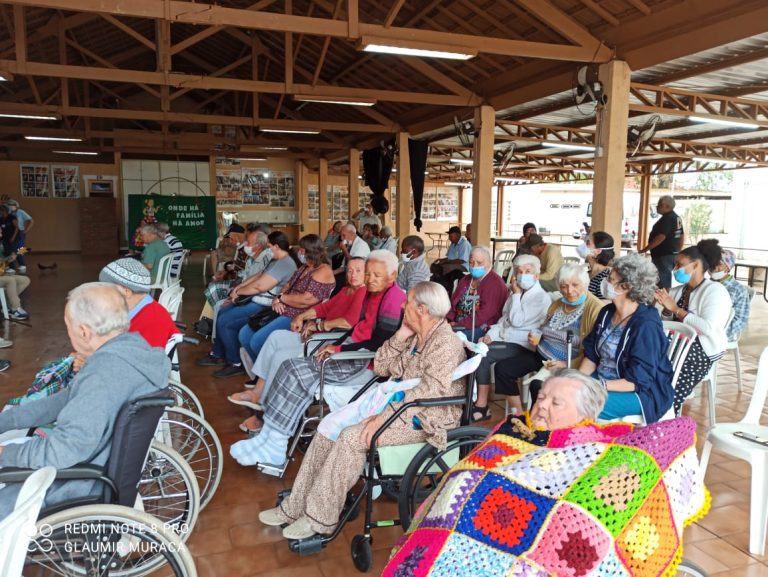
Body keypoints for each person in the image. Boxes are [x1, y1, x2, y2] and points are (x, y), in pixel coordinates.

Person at [253, 281, 465, 541]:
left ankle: (320, 518)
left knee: (352, 437)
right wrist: (400, 335)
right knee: (328, 428)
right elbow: (381, 367)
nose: (401, 305)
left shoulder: (444, 343)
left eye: (407, 302)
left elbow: (429, 392)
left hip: (425, 419)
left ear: (422, 309)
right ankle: (295, 506)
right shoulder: (417, 335)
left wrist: (383, 418)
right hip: (399, 407)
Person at [0, 282, 171, 518]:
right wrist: (7, 420)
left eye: (68, 326)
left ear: (83, 332)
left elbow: (63, 450)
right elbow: (64, 400)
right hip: (93, 468)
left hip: (71, 484)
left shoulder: (102, 375)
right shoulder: (135, 352)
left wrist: (5, 453)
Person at [229, 251, 405, 467]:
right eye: (368, 274)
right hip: (352, 350)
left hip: (365, 362)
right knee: (288, 366)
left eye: (376, 275)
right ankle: (269, 436)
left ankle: (277, 444)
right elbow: (356, 330)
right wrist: (334, 344)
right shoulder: (371, 292)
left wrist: (338, 348)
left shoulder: (393, 299)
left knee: (295, 371)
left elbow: (379, 344)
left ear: (393, 275)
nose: (369, 279)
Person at [228, 257, 368, 433]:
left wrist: (318, 325)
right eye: (349, 270)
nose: (353, 274)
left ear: (366, 274)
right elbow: (323, 309)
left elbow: (349, 322)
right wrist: (302, 317)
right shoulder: (346, 290)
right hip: (317, 334)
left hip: (328, 341)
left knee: (281, 356)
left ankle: (265, 414)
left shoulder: (362, 293)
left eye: (358, 271)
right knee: (276, 337)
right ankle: (258, 391)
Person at [492, 263, 604, 416]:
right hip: (542, 355)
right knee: (503, 369)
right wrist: (537, 336)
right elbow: (545, 326)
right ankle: (517, 413)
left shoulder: (594, 309)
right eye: (564, 286)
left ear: (585, 283)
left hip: (568, 363)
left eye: (575, 285)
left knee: (539, 386)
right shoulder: (559, 303)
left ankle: (539, 424)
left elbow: (594, 351)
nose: (569, 291)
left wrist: (567, 364)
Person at [579, 253, 674, 422]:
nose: (605, 282)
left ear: (626, 286)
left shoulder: (646, 326)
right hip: (603, 380)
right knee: (560, 391)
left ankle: (586, 445)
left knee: (579, 406)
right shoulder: (607, 313)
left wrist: (599, 386)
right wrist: (578, 379)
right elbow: (592, 354)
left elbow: (638, 381)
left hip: (638, 392)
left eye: (610, 278)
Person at [233, 234, 336, 378]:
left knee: (256, 341)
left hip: (299, 316)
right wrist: (277, 299)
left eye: (302, 250)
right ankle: (261, 374)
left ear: (311, 251)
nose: (299, 253)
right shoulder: (304, 268)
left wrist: (282, 298)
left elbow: (307, 300)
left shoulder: (323, 270)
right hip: (282, 309)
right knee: (245, 334)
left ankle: (268, 378)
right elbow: (287, 285)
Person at [196, 231, 297, 371]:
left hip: (265, 306)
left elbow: (259, 285)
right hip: (258, 300)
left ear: (276, 246)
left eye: (269, 246)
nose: (267, 249)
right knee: (223, 311)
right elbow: (258, 276)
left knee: (225, 322)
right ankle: (218, 354)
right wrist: (238, 288)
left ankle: (234, 362)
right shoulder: (276, 260)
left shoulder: (285, 264)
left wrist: (238, 292)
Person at [472, 254, 552, 422]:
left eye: (527, 271)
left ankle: (482, 404)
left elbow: (517, 321)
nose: (522, 275)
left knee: (483, 356)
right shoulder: (515, 294)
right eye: (519, 271)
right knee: (479, 349)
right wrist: (489, 335)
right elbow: (504, 320)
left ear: (536, 275)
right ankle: (481, 402)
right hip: (506, 339)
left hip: (523, 344)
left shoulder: (541, 297)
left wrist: (515, 295)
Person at [654, 244, 731, 415]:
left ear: (696, 265)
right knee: (646, 357)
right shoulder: (677, 291)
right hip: (674, 345)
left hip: (701, 350)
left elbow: (708, 328)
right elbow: (666, 324)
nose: (675, 269)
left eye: (679, 265)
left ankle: (666, 417)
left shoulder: (714, 291)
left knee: (668, 382)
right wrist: (666, 311)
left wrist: (676, 309)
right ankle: (648, 411)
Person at [98, 257, 179, 348]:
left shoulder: (152, 322)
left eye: (106, 289)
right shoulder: (136, 308)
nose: (102, 293)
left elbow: (143, 360)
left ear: (126, 292)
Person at [199, 229, 272, 322]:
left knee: (216, 297)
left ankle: (210, 323)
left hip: (249, 295)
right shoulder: (251, 258)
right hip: (241, 287)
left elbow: (256, 284)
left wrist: (236, 296)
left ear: (258, 246)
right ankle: (208, 321)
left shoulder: (265, 260)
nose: (245, 244)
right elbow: (245, 275)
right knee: (213, 291)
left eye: (248, 242)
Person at [446, 246, 507, 342]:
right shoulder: (466, 279)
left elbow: (483, 315)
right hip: (459, 322)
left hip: (480, 327)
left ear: (489, 263)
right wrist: (449, 319)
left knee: (446, 338)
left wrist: (458, 324)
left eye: (479, 263)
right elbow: (454, 302)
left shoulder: (495, 283)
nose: (474, 266)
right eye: (471, 262)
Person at [698, 241, 751, 342]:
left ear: (727, 267)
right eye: (712, 264)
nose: (713, 268)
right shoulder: (705, 284)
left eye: (718, 264)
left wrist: (717, 332)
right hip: (704, 328)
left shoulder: (738, 291)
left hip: (722, 333)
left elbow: (740, 321)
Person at [640, 195, 684, 289]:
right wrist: (678, 251)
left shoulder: (667, 219)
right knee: (660, 280)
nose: (657, 206)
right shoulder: (676, 218)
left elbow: (661, 237)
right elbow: (681, 236)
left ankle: (661, 301)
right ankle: (657, 301)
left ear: (667, 206)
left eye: (660, 205)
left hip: (663, 255)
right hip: (671, 254)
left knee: (662, 282)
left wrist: (645, 249)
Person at [430, 225, 471, 296]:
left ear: (457, 235)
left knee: (445, 268)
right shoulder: (453, 244)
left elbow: (462, 260)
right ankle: (436, 284)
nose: (449, 238)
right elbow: (449, 258)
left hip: (463, 266)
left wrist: (446, 262)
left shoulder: (464, 244)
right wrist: (441, 260)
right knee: (435, 266)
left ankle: (445, 287)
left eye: (451, 236)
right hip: (453, 264)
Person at [578, 231, 615, 299]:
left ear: (598, 251)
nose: (584, 245)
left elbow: (602, 304)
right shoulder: (586, 268)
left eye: (588, 243)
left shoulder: (605, 277)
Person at [0, 244, 30, 321]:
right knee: (10, 280)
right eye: (0, 232)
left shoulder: (1, 245)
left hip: (2, 275)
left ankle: (7, 305)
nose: (1, 234)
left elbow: (1, 265)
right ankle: (15, 308)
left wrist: (8, 261)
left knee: (25, 280)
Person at [6, 199, 31, 274]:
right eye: (9, 205)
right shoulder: (8, 213)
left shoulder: (21, 212)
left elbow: (31, 220)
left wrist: (26, 230)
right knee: (12, 248)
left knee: (20, 248)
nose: (10, 207)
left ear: (15, 206)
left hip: (20, 232)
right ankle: (11, 265)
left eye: (11, 205)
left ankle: (22, 264)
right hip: (11, 233)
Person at [0, 204, 20, 272]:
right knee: (6, 252)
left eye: (1, 211)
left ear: (5, 211)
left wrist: (13, 237)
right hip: (5, 238)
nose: (0, 212)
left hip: (13, 238)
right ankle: (10, 266)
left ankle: (13, 268)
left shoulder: (12, 217)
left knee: (12, 252)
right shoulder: (1, 218)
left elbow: (16, 228)